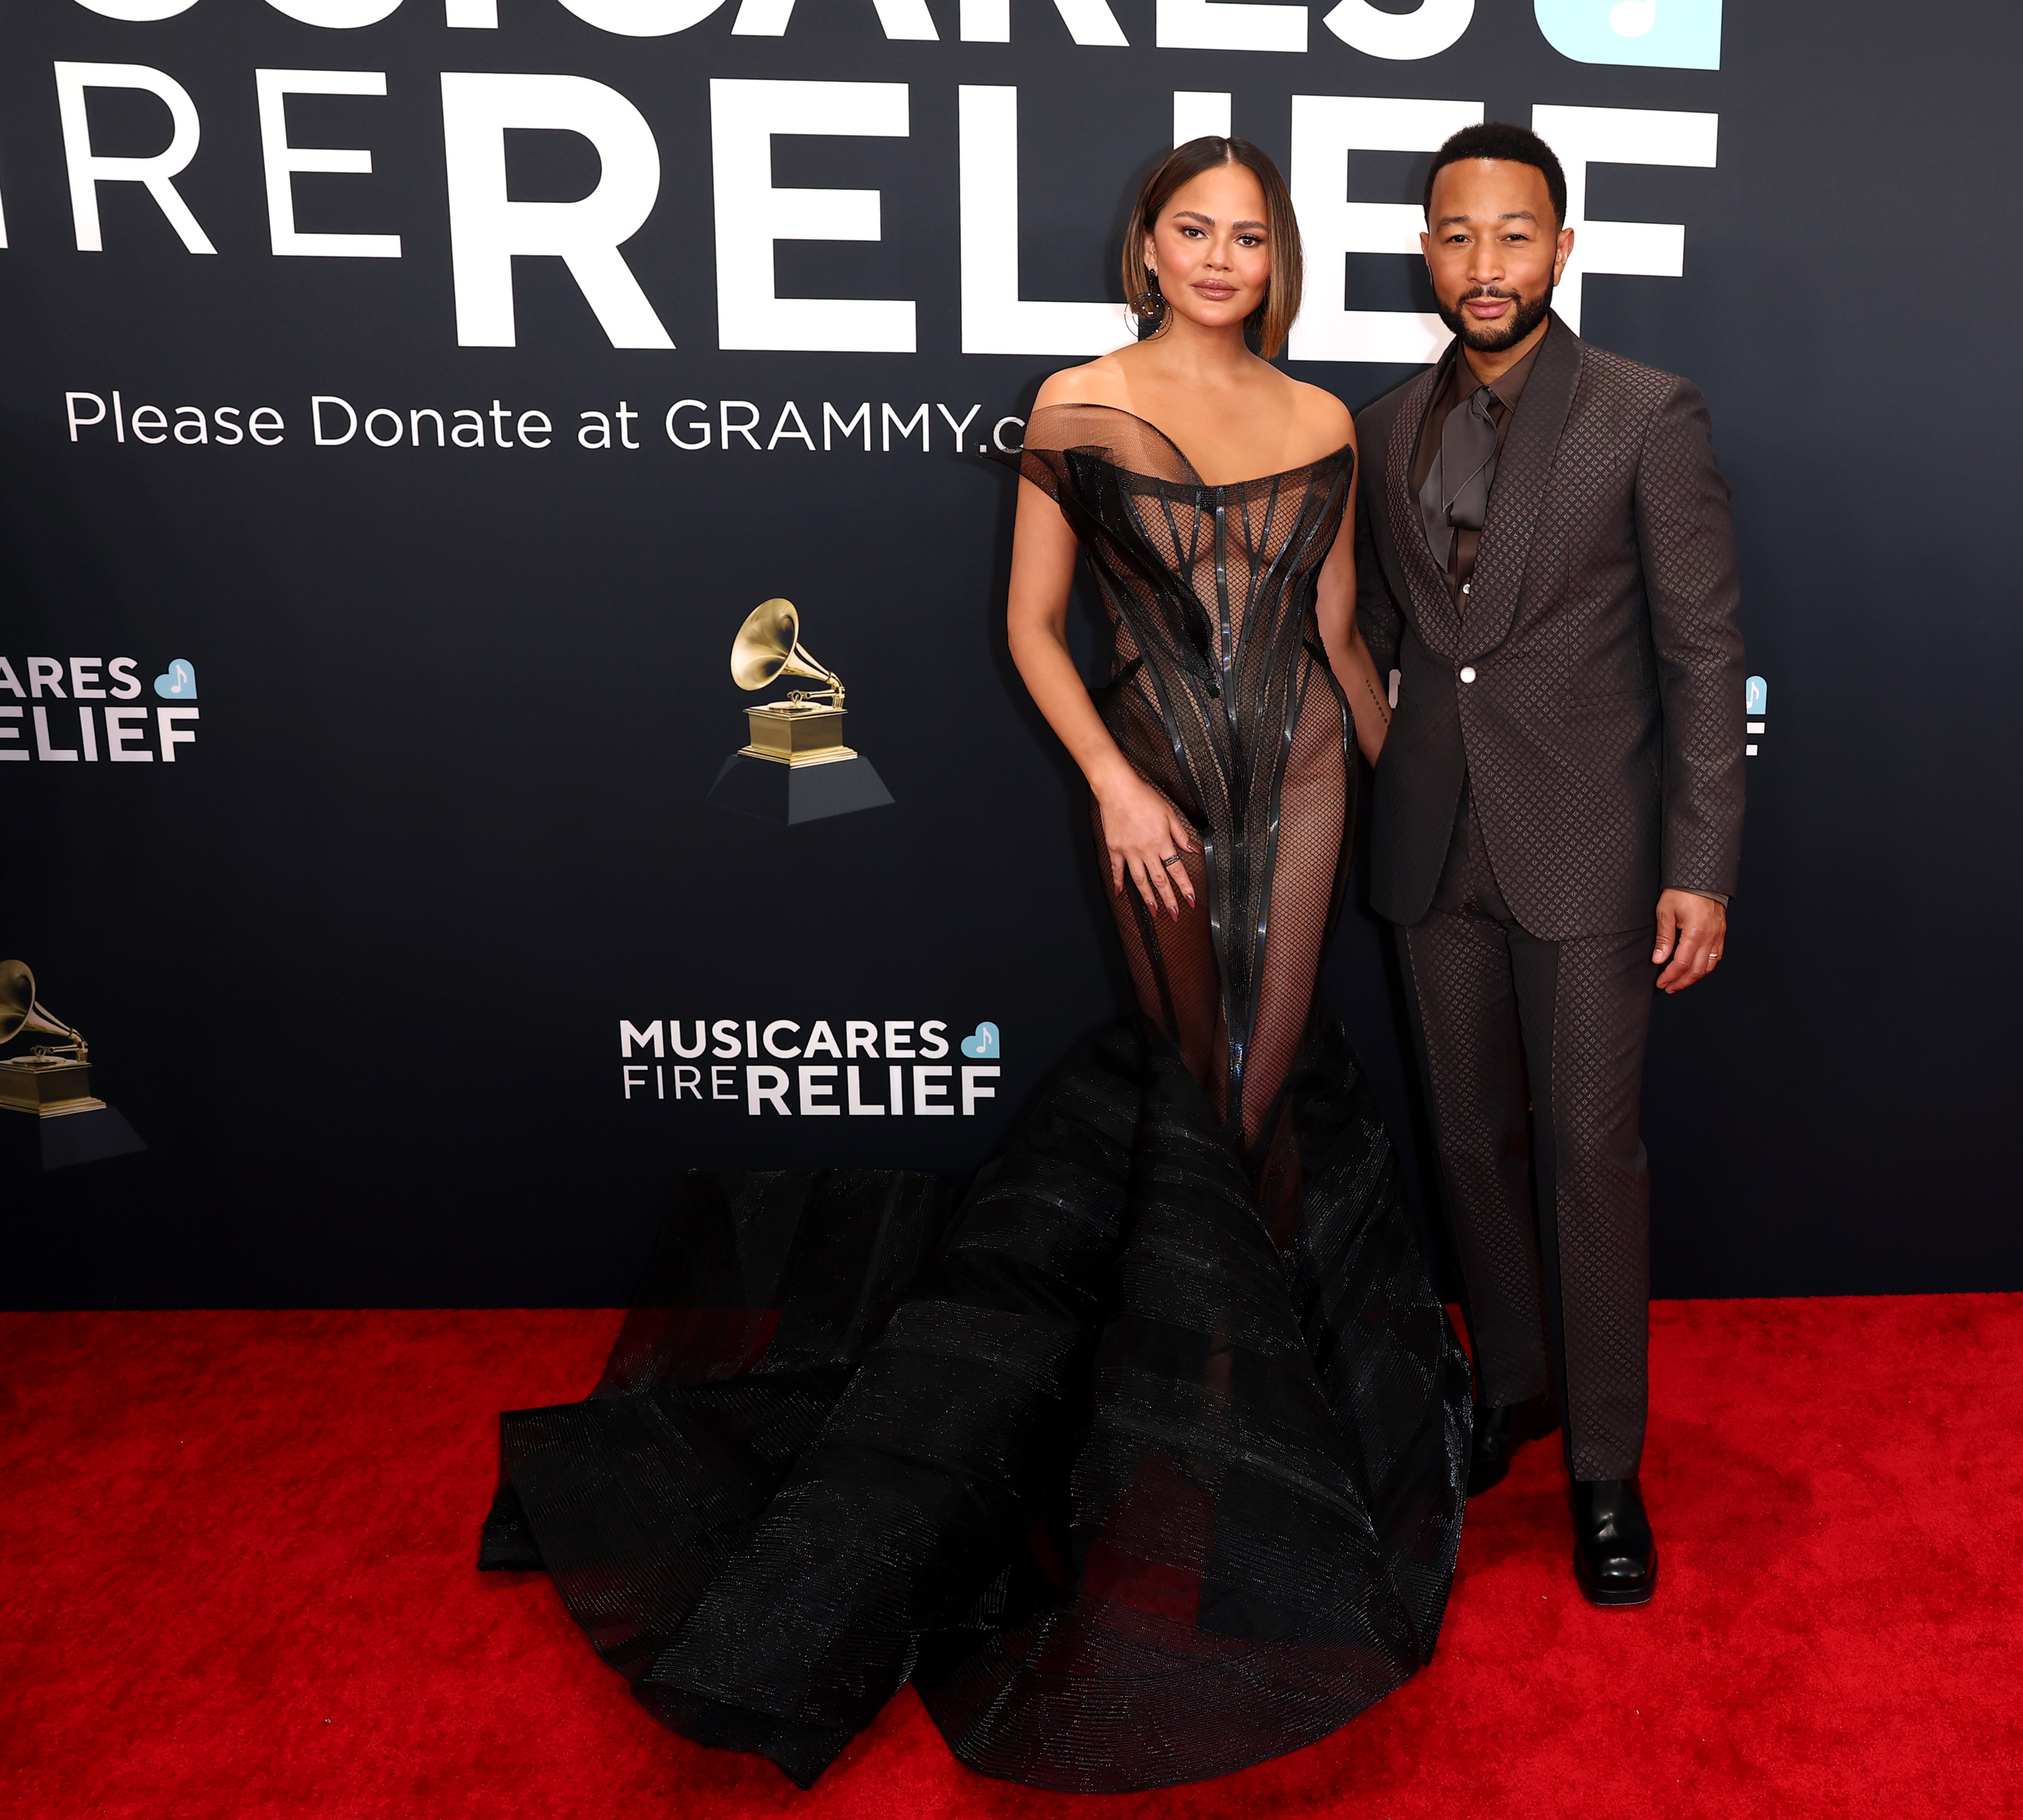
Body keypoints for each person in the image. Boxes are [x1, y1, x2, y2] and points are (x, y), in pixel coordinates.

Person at [478, 138, 1469, 1795]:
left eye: (1250, 235)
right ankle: (1190, 1435)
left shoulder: (1322, 421)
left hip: (1306, 776)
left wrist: (1424, 790)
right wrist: (1112, 778)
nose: (1223, 258)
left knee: (1261, 1085)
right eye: (1194, 231)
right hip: (1152, 773)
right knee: (1201, 1087)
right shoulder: (1076, 403)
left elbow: (1345, 630)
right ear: (1146, 246)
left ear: (1277, 256)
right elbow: (1032, 624)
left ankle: (1239, 1448)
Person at [1352, 123, 1746, 1608]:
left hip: (1589, 843)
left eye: (1515, 236)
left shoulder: (1646, 414)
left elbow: (1705, 657)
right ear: (1428, 252)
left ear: (1562, 248)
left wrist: (1700, 863)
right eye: (1458, 237)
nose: (1485, 266)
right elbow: (1387, 648)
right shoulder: (1382, 430)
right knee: (1465, 1144)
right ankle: (1513, 1387)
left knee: (1590, 1155)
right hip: (1427, 840)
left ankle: (1604, 1465)